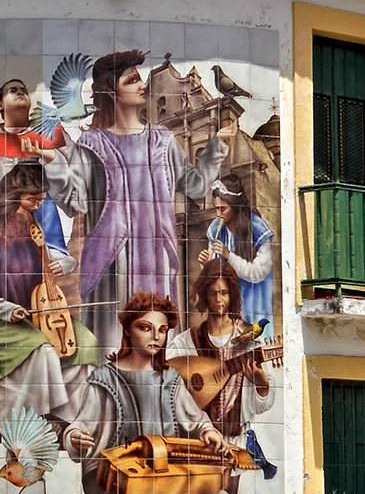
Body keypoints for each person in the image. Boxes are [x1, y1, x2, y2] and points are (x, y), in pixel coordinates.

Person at [43, 51, 231, 357]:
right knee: (113, 351)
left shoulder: (162, 140)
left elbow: (195, 185)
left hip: (157, 259)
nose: (142, 84)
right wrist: (53, 161)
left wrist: (218, 144)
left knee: (156, 350)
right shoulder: (92, 145)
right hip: (112, 264)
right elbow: (73, 200)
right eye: (132, 80)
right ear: (111, 92)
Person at [63, 291, 236, 494]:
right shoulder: (104, 378)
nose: (156, 336)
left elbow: (197, 420)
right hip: (113, 479)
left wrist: (209, 432)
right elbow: (79, 426)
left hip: (165, 475)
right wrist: (75, 438)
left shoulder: (170, 378)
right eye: (145, 327)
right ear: (127, 331)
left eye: (162, 330)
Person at [0, 161, 100, 422]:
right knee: (41, 350)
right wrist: (7, 310)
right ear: (13, 196)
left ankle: (73, 419)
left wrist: (59, 263)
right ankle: (35, 421)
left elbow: (54, 258)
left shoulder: (33, 226)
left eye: (41, 199)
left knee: (86, 342)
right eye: (32, 199)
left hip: (32, 311)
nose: (38, 205)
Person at [166, 255, 275, 437]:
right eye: (212, 293)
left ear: (231, 294)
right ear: (204, 296)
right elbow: (165, 383)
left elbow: (262, 406)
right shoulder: (185, 342)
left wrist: (261, 384)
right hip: (195, 445)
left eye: (223, 293)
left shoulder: (250, 342)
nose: (218, 299)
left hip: (237, 442)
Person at [0, 77, 70, 251]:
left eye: (23, 90)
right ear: (0, 105)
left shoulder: (45, 131)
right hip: (0, 209)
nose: (20, 92)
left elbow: (74, 161)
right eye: (12, 90)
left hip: (36, 207)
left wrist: (49, 147)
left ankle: (57, 253)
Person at [198, 175, 276, 333]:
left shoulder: (256, 227)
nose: (218, 214)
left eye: (223, 209)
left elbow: (258, 273)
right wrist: (206, 266)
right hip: (229, 301)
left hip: (254, 298)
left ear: (235, 206)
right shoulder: (215, 229)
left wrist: (229, 256)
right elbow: (215, 274)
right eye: (216, 209)